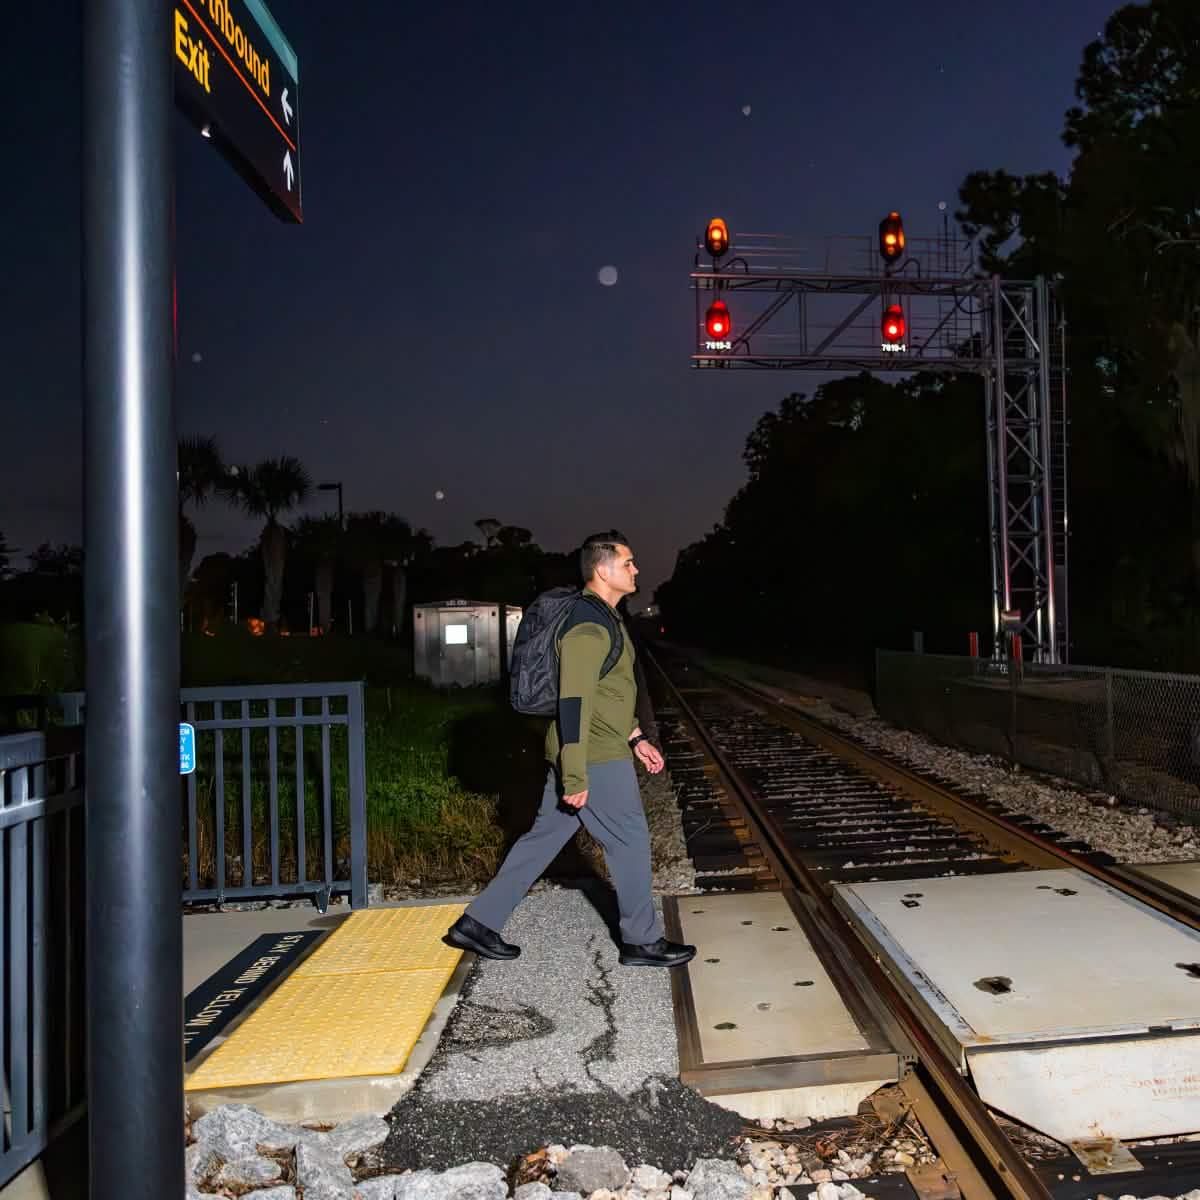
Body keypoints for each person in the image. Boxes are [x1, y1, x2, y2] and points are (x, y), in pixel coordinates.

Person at [445, 532, 696, 968]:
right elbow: (574, 701)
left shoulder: (604, 617)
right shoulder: (587, 625)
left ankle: (478, 923)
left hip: (590, 748)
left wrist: (636, 736)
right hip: (593, 756)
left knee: (543, 838)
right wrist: (576, 774)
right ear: (602, 570)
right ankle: (641, 941)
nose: (636, 569)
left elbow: (607, 692)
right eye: (628, 563)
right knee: (631, 840)